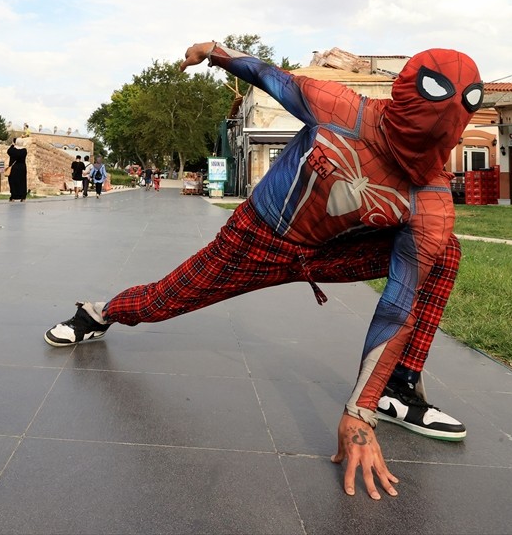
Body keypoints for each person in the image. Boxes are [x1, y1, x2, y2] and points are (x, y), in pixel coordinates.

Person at [45, 40, 482, 501]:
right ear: (406, 95)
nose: (434, 133)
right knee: (163, 300)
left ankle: (397, 388)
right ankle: (98, 313)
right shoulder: (339, 108)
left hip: (327, 254)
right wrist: (213, 52)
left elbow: (400, 304)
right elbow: (268, 75)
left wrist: (361, 411)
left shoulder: (430, 201)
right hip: (255, 240)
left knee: (444, 252)